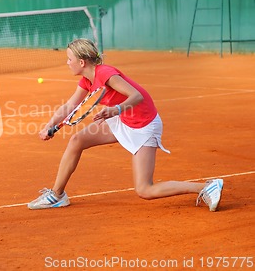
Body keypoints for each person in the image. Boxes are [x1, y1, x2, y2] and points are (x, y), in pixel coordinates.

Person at [27, 38, 223, 211]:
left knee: (145, 189)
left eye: (69, 59)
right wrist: (49, 126)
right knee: (77, 140)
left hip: (143, 125)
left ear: (81, 62)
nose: (67, 63)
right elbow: (70, 105)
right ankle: (57, 195)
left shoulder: (105, 73)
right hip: (122, 119)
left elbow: (137, 96)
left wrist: (116, 110)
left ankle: (206, 187)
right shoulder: (87, 80)